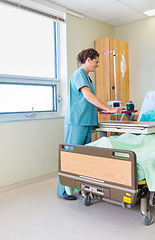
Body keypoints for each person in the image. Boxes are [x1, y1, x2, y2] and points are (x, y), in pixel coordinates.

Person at [58, 48, 122, 200]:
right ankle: (62, 191)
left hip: (86, 121)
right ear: (88, 59)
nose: (97, 65)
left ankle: (81, 188)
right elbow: (88, 96)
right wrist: (109, 108)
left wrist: (107, 110)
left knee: (83, 157)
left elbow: (89, 102)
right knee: (71, 155)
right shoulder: (79, 74)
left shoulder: (87, 77)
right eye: (96, 62)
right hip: (77, 121)